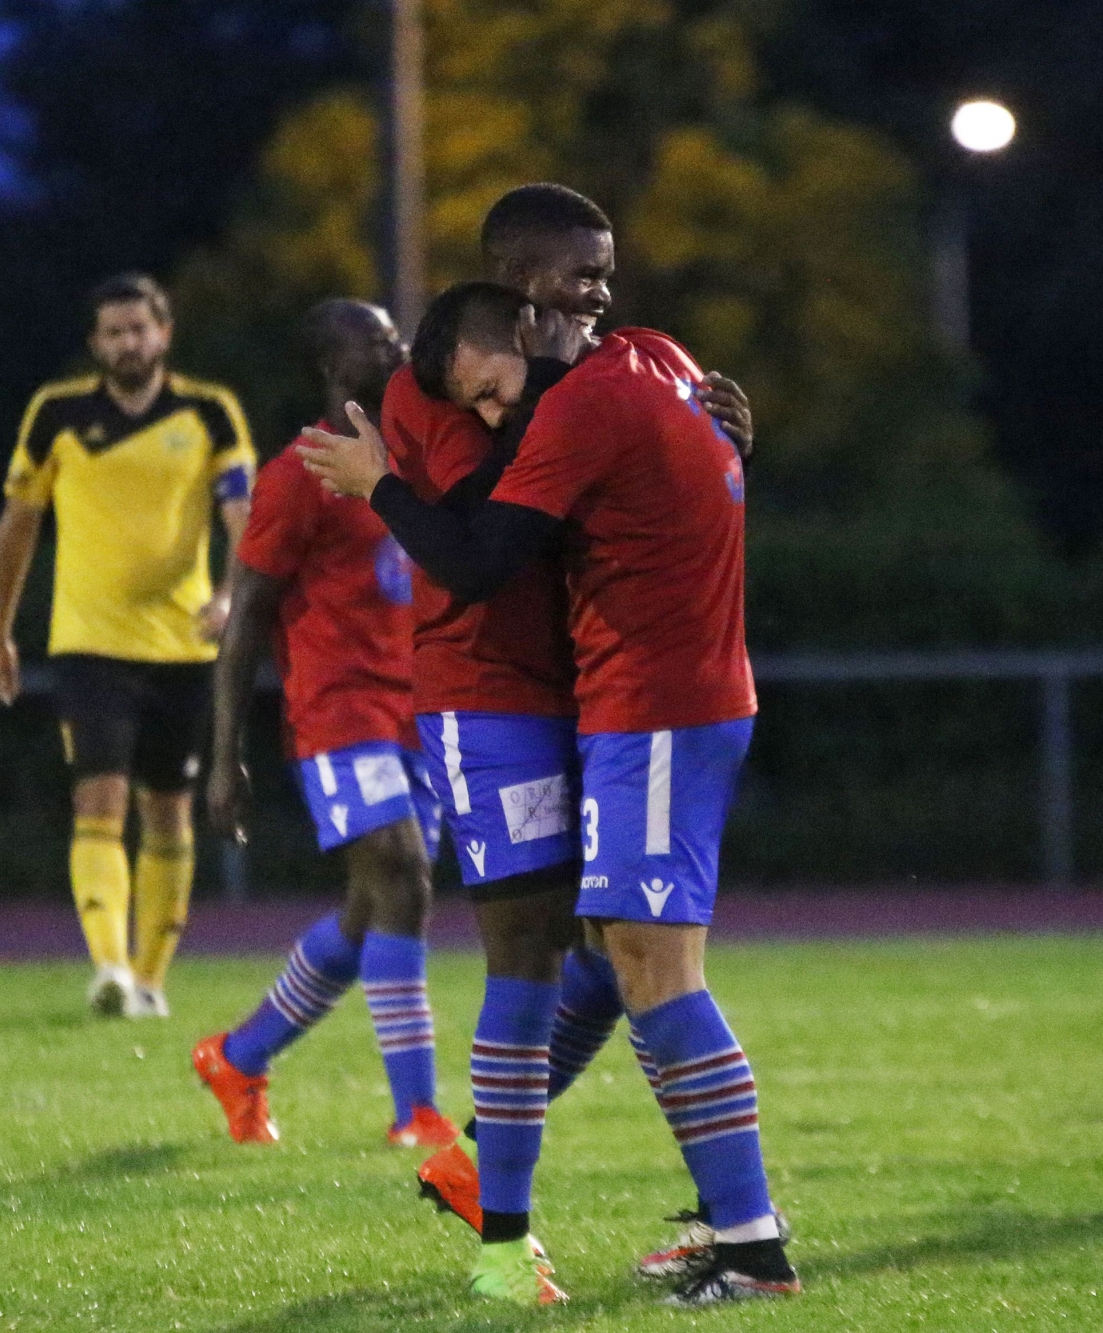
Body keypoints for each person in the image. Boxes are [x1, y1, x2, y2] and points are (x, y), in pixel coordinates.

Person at [300, 280, 797, 1307]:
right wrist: (381, 483)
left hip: (618, 701)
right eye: (569, 275)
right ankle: (505, 1244)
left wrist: (727, 430)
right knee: (547, 961)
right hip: (492, 711)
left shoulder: (622, 368)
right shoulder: (423, 394)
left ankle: (700, 1221)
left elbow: (624, 477)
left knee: (622, 964)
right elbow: (475, 559)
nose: (591, 293)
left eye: (600, 273)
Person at [190, 299, 458, 1150]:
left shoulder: (414, 456)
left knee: (369, 909)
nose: (402, 345)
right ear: (337, 363)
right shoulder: (297, 475)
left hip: (421, 712)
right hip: (340, 714)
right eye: (381, 337)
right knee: (405, 880)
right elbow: (245, 620)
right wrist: (223, 757)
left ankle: (239, 1054)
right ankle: (416, 1112)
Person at [0, 272, 255, 1019]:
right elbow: (17, 523)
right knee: (97, 800)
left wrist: (233, 595)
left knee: (169, 812)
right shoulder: (57, 413)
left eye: (141, 328)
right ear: (95, 343)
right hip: (89, 643)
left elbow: (244, 514)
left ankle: (150, 976)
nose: (129, 342)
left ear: (164, 333)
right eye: (114, 332)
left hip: (185, 647)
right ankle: (108, 968)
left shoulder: (208, 412)